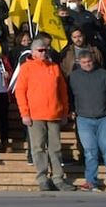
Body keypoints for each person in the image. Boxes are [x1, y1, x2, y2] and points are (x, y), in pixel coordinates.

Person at [14, 37, 76, 192]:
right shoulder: (27, 68)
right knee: (38, 148)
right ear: (33, 52)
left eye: (45, 50)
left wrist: (65, 111)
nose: (44, 52)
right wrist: (24, 113)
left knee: (55, 148)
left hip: (54, 113)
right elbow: (20, 92)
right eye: (40, 50)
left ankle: (57, 178)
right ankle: (42, 178)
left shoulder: (54, 67)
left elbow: (63, 91)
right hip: (35, 115)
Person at [68, 49, 106, 192]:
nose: (87, 64)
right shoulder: (73, 77)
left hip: (104, 118)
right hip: (83, 118)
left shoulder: (105, 75)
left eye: (89, 62)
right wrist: (69, 110)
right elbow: (68, 95)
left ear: (93, 60)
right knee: (90, 152)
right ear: (79, 62)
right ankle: (91, 181)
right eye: (84, 62)